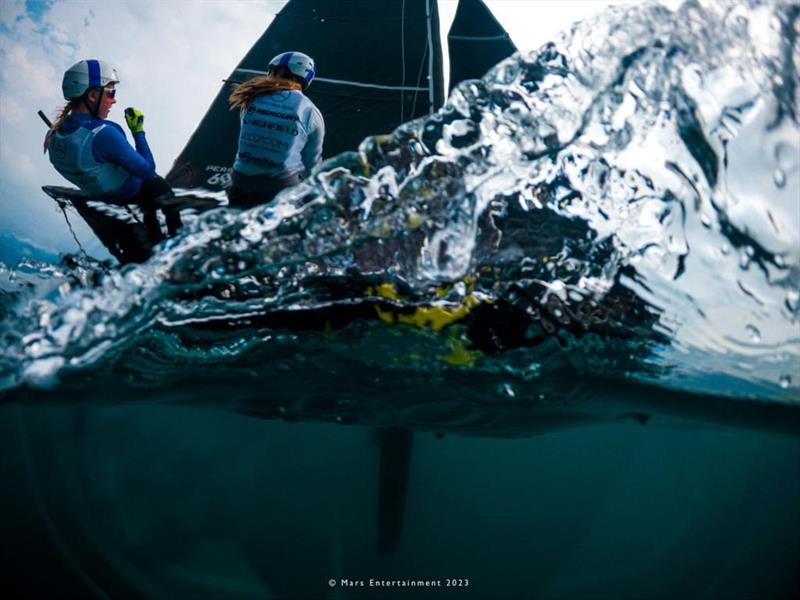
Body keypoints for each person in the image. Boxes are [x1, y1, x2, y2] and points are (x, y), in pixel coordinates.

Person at [44, 59, 182, 245]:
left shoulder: (53, 135)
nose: (114, 100)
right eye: (110, 93)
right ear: (93, 95)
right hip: (130, 191)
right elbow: (148, 171)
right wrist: (138, 131)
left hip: (103, 197)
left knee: (148, 204)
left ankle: (152, 238)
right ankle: (178, 241)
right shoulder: (104, 133)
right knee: (160, 188)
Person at [227, 51, 325, 208]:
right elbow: (312, 164)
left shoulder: (250, 97)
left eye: (271, 70)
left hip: (240, 182)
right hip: (279, 187)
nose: (269, 75)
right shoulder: (311, 112)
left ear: (280, 71)